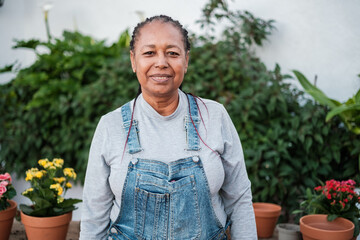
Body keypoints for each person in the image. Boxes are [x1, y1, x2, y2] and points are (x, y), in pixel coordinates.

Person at [80, 15, 257, 240]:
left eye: (172, 53)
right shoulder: (110, 126)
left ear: (186, 60)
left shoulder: (214, 116)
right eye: (149, 53)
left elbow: (239, 199)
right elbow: (94, 215)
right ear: (134, 61)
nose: (161, 62)